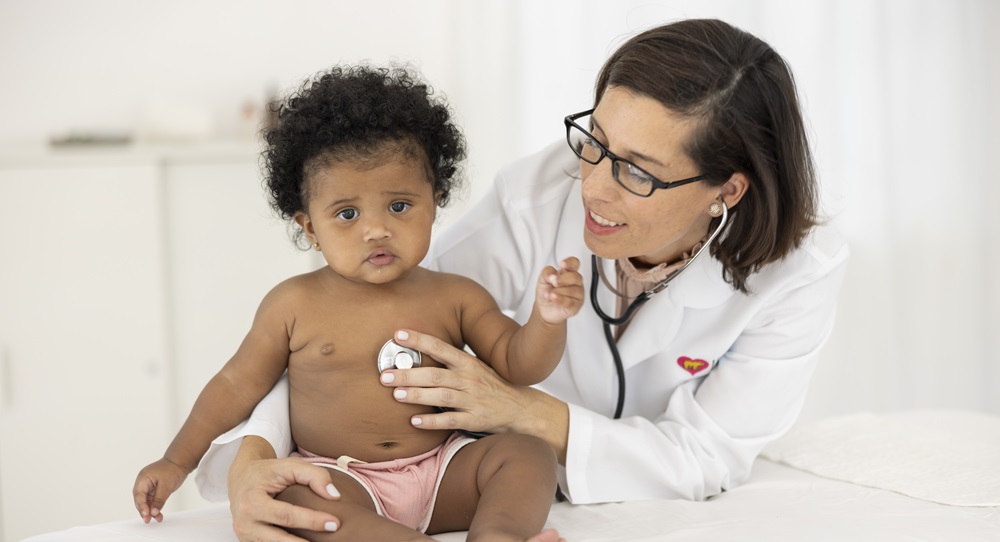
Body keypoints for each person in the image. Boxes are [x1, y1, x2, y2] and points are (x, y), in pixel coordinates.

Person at [196, 18, 850, 540]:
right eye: (594, 140)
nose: (592, 186)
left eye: (638, 173)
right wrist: (252, 457)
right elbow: (364, 324)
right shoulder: (538, 196)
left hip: (524, 476)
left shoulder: (800, 273)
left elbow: (709, 456)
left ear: (727, 189)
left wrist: (527, 411)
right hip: (455, 475)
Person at [132, 64, 583, 542]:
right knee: (292, 497)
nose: (376, 229)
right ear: (310, 228)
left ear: (436, 199)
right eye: (347, 213)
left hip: (443, 468)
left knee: (529, 455)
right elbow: (235, 384)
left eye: (399, 206)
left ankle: (497, 535)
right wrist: (176, 460)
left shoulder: (457, 295)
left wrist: (548, 319)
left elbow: (519, 364)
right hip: (342, 479)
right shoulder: (293, 304)